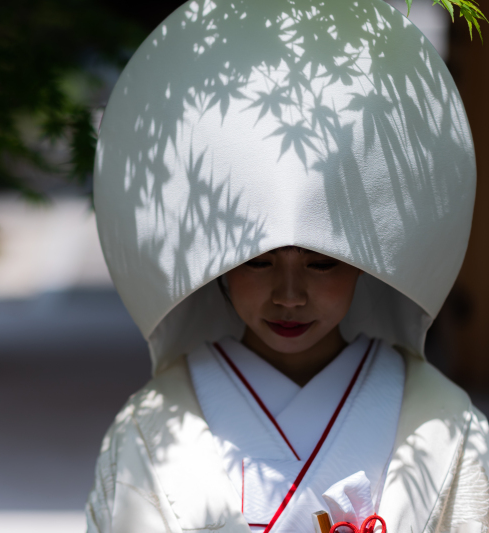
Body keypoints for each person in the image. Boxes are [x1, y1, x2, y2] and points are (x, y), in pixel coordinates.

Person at [85, 0, 489, 532]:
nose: (290, 295)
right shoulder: (154, 423)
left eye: (322, 263)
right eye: (258, 262)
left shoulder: (440, 421)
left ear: (367, 262)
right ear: (219, 262)